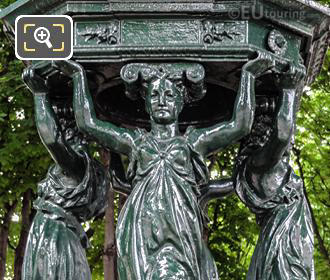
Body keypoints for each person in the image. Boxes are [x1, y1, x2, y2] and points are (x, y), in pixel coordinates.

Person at [53, 53, 272, 280]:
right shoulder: (135, 142)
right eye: (154, 95)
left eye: (169, 95)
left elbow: (240, 124)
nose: (162, 101)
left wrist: (249, 76)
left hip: (180, 227)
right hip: (141, 228)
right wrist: (78, 76)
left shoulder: (193, 142)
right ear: (146, 104)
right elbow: (88, 123)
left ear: (180, 103)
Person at [21, 62, 109, 280]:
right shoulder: (92, 171)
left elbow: (52, 139)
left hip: (54, 235)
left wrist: (40, 95)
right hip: (60, 234)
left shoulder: (78, 166)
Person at [234, 65, 314, 280]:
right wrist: (288, 90)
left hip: (287, 243)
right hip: (285, 248)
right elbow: (281, 136)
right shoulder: (261, 164)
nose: (291, 142)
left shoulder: (256, 169)